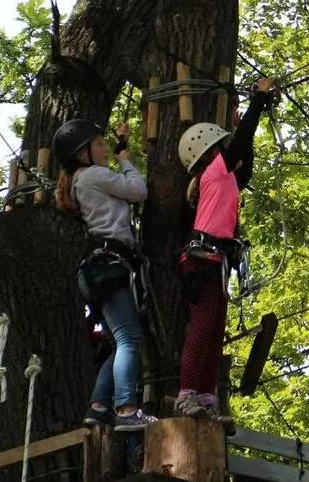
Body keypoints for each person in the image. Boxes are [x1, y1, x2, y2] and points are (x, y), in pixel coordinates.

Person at [175, 77, 276, 426]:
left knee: (215, 332)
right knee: (202, 329)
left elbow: (244, 161)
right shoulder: (212, 172)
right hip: (203, 261)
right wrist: (258, 100)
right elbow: (242, 143)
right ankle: (187, 394)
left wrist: (242, 121)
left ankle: (205, 396)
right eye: (222, 143)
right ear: (210, 151)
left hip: (216, 261)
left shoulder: (225, 176)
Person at [53, 119, 158, 432]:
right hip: (109, 267)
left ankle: (99, 406)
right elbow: (139, 191)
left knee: (118, 342)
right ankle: (126, 409)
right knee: (130, 339)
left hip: (98, 270)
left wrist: (121, 144)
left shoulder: (80, 180)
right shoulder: (94, 175)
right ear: (83, 153)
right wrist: (125, 161)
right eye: (98, 144)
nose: (104, 149)